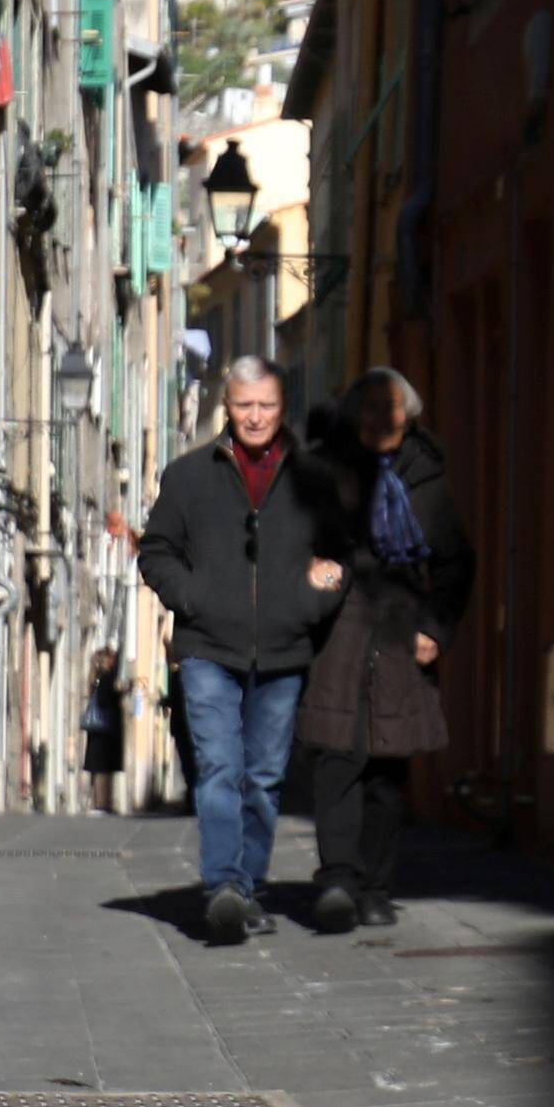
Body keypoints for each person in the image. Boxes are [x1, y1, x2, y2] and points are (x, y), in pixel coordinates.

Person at [133, 356, 342, 937]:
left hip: (284, 651)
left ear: (283, 408)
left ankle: (247, 889)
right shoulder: (189, 476)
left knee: (266, 776)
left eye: (267, 405)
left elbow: (340, 554)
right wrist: (193, 597)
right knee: (220, 767)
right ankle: (223, 884)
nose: (255, 417)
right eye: (244, 405)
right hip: (207, 648)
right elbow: (155, 552)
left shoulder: (314, 479)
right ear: (227, 406)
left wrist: (314, 597)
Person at [292, 367, 472, 931]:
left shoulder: (426, 479)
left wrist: (435, 630)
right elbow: (290, 541)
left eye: (390, 407)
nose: (379, 417)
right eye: (368, 407)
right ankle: (338, 880)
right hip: (338, 629)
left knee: (387, 769)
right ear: (352, 414)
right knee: (337, 758)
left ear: (409, 414)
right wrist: (310, 572)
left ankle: (375, 887)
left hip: (400, 630)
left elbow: (455, 563)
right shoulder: (323, 469)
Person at [77, 648, 131, 814]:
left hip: (97, 731)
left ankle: (99, 802)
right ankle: (102, 803)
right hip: (104, 729)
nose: (113, 662)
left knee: (99, 769)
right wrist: (121, 693)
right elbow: (106, 700)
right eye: (110, 659)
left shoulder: (96, 679)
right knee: (103, 769)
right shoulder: (106, 679)